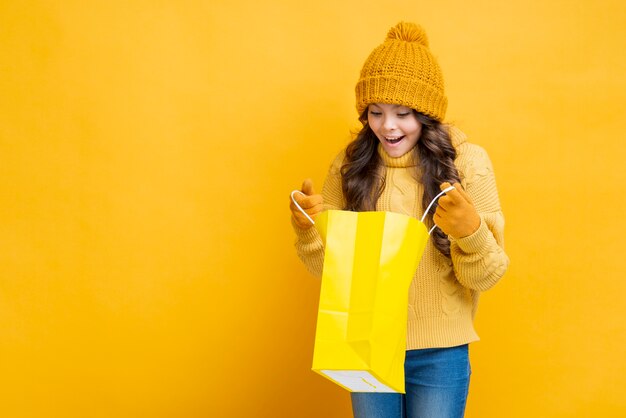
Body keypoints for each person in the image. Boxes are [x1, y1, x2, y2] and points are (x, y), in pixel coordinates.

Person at [289, 21, 509, 418]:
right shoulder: (349, 166)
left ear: (426, 113)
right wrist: (309, 233)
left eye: (403, 113)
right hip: (366, 346)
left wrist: (470, 232)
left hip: (440, 353)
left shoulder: (468, 163)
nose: (387, 126)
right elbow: (328, 270)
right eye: (375, 112)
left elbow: (487, 276)